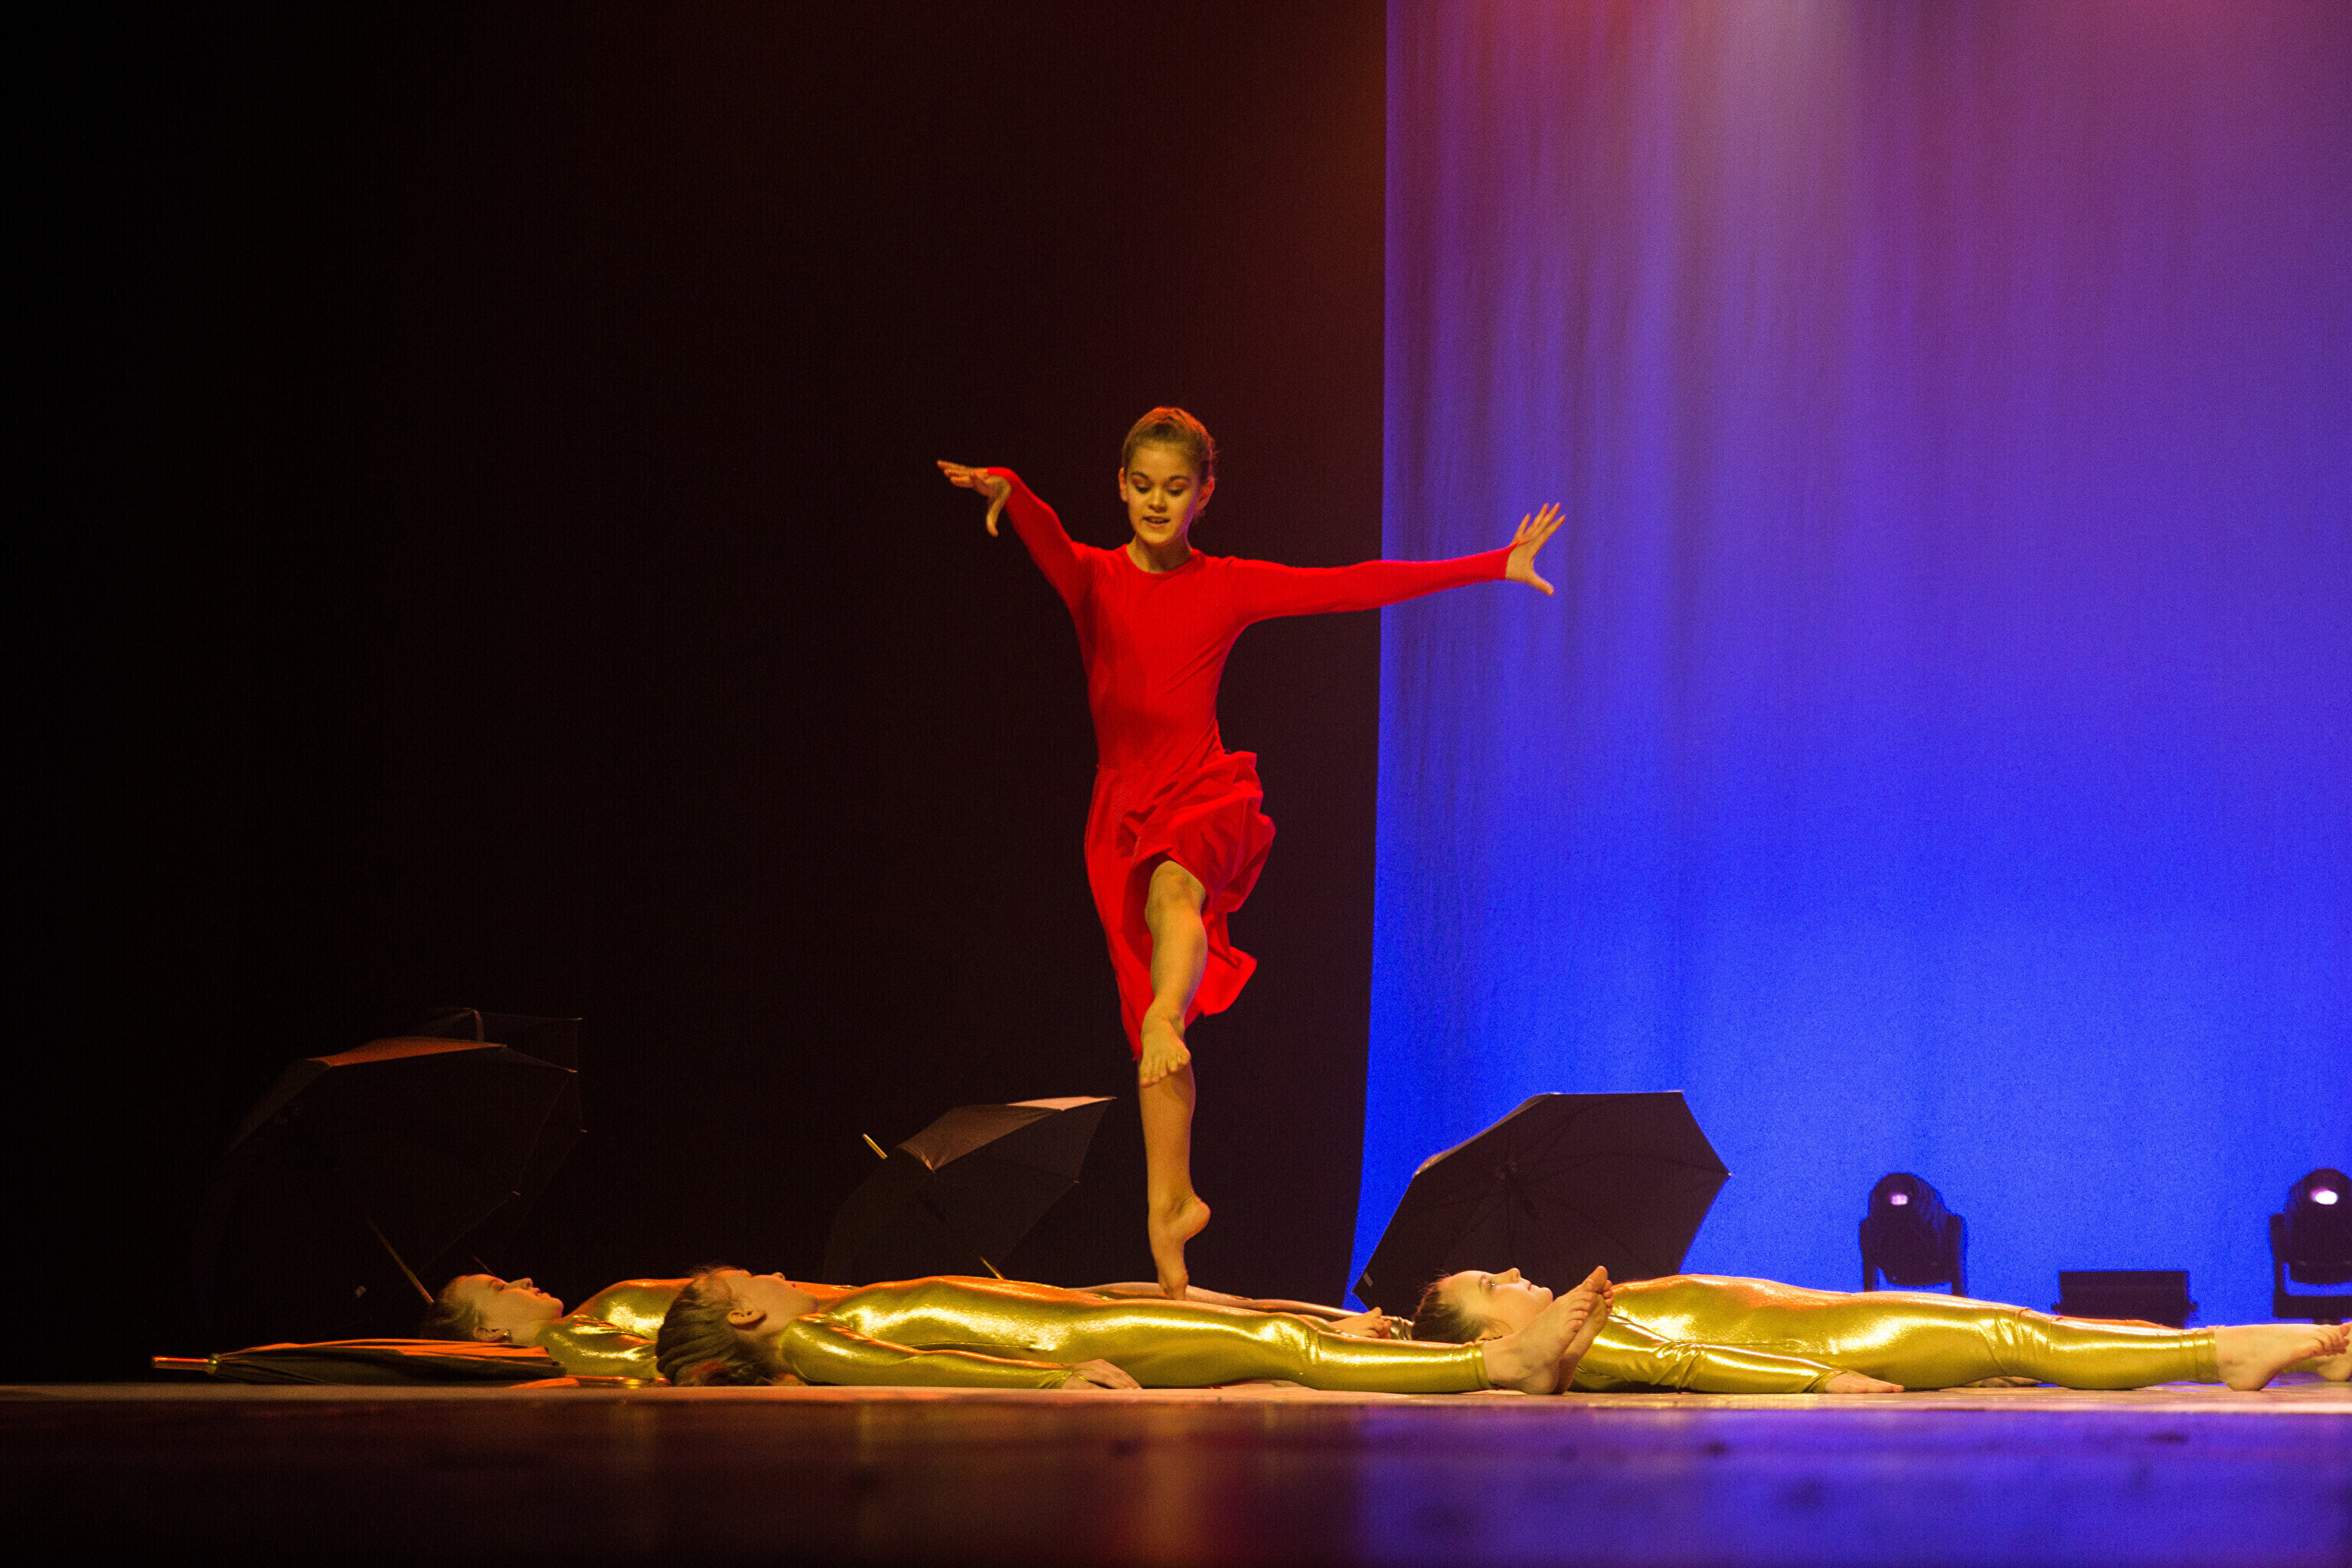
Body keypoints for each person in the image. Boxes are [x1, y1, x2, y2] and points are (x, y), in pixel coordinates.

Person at [939, 410, 1565, 1298]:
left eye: (1176, 487)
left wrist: (1492, 563)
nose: (1158, 502)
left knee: (1175, 901)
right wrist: (1012, 486)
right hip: (1116, 814)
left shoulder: (1226, 585)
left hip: (1199, 791)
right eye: (1143, 485)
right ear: (1121, 485)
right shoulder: (1094, 579)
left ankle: (1169, 1011)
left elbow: (1352, 585)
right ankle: (1169, 1206)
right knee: (1150, 1035)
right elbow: (1046, 537)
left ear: (1205, 493)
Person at [652, 1265, 1611, 1393]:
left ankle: (1500, 1362)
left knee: (1276, 1337)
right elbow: (912, 1367)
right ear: (745, 1314)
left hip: (1083, 1322)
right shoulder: (813, 1335)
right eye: (751, 1278)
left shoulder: (841, 1311)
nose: (772, 1271)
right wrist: (1047, 1381)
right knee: (1282, 1353)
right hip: (1072, 1347)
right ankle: (1498, 1362)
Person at [1411, 1267, 2352, 1393]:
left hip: (1831, 1319)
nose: (1517, 1274)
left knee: (2027, 1327)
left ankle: (2275, 1346)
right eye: (1494, 1284)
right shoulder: (1570, 1339)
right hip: (1828, 1342)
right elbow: (1684, 1359)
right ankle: (2227, 1350)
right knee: (2018, 1335)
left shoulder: (1578, 1311)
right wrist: (1815, 1378)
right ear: (1479, 1332)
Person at [420, 1274, 687, 1378]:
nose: (524, 1280)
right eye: (500, 1288)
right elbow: (679, 1365)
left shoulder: (572, 1328)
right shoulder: (553, 1340)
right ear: (489, 1332)